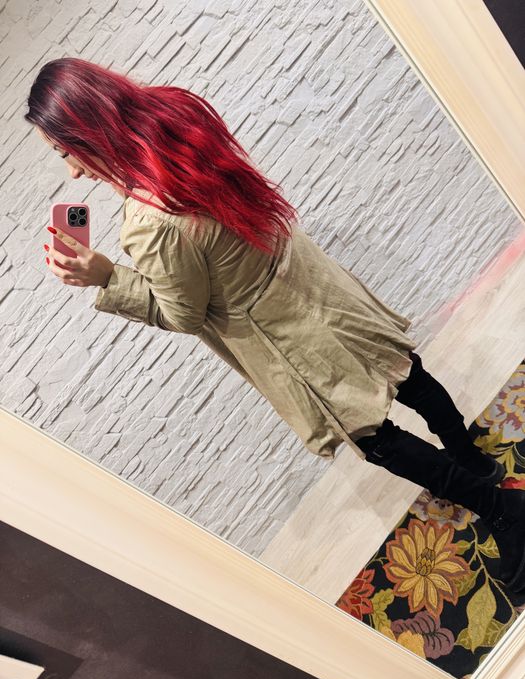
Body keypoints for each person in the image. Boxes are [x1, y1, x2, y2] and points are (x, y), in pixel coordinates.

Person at [25, 57, 525, 594]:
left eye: (64, 151)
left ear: (88, 130)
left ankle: (502, 510)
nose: (72, 171)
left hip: (283, 332)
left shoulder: (148, 223)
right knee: (403, 370)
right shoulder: (177, 115)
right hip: (307, 277)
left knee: (375, 437)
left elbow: (182, 313)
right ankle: (474, 460)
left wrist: (107, 277)